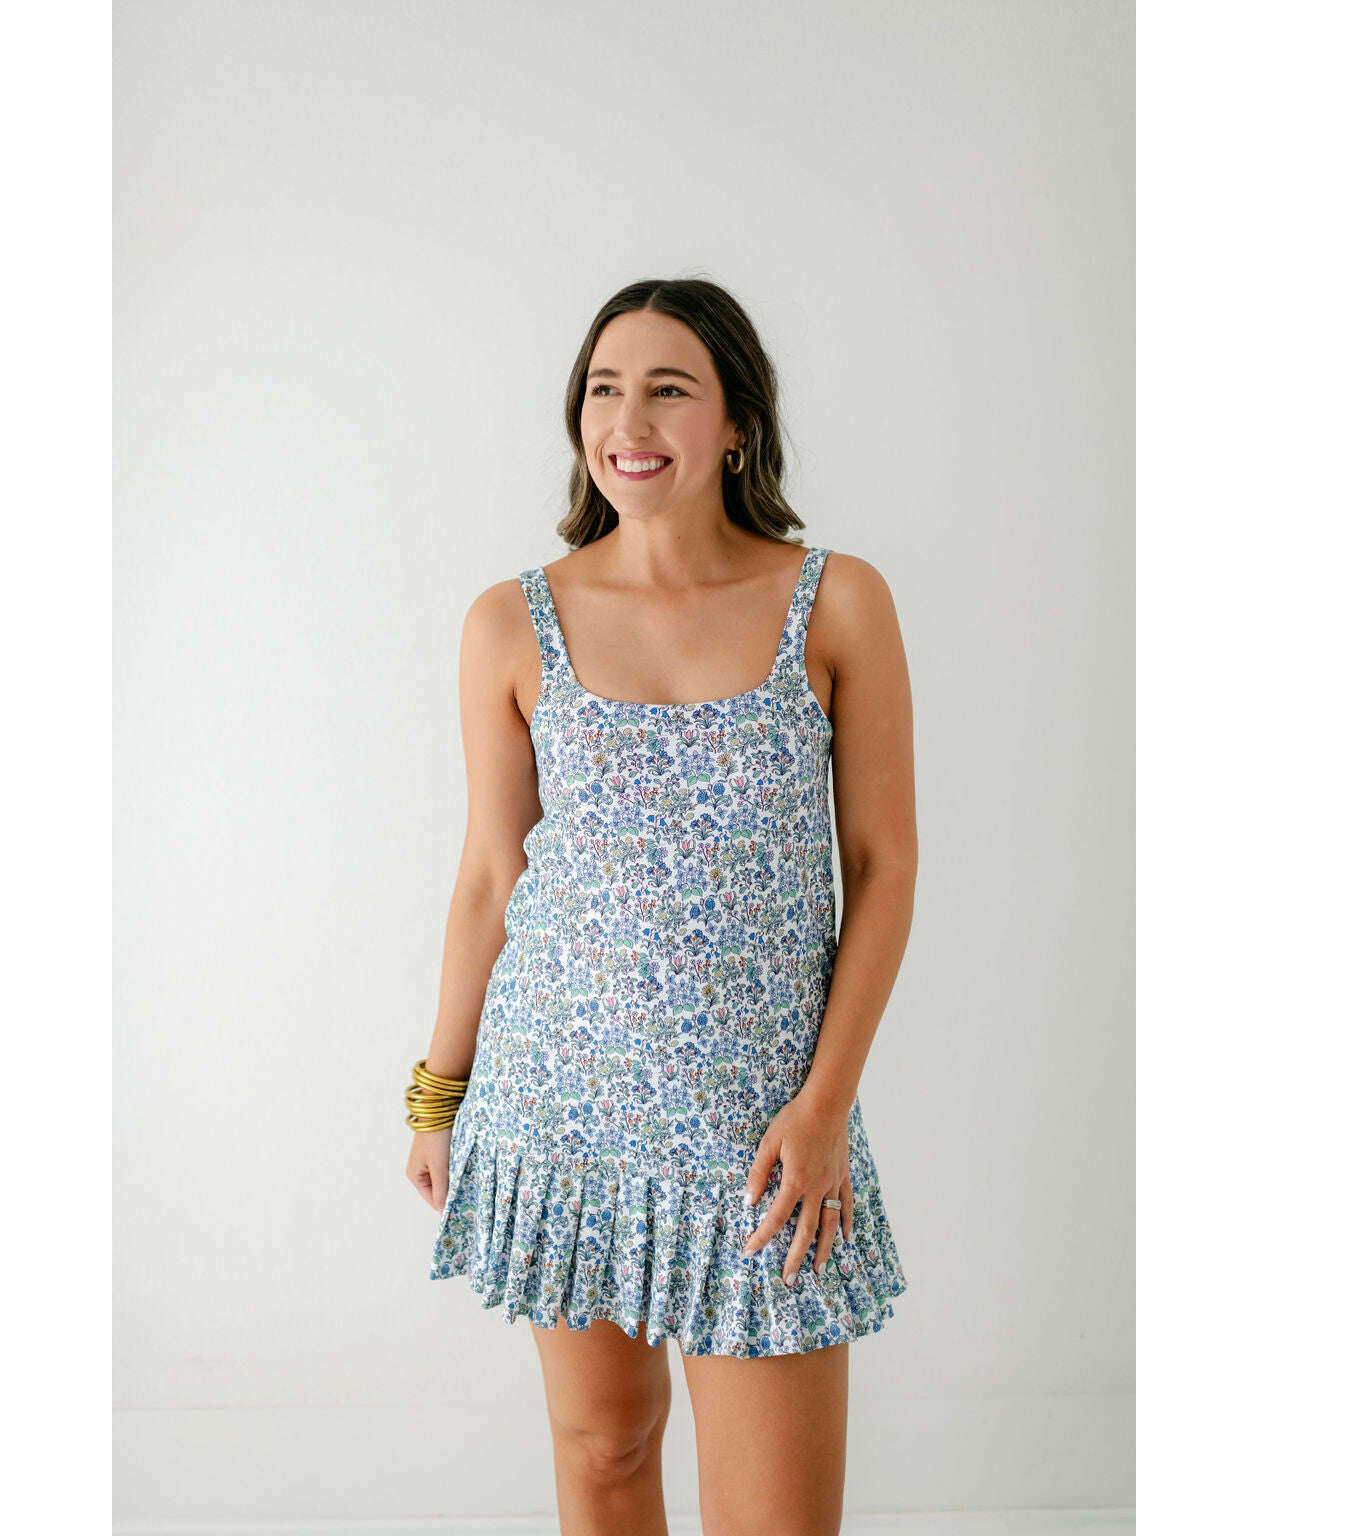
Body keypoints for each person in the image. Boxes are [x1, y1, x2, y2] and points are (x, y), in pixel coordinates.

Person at [405, 276, 917, 1536]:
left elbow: (884, 865)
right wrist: (438, 1095)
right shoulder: (510, 623)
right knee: (605, 1451)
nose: (628, 422)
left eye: (669, 389)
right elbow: (490, 875)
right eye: (603, 390)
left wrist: (826, 1107)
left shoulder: (836, 601)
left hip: (764, 1137)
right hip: (559, 1116)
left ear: (737, 423)